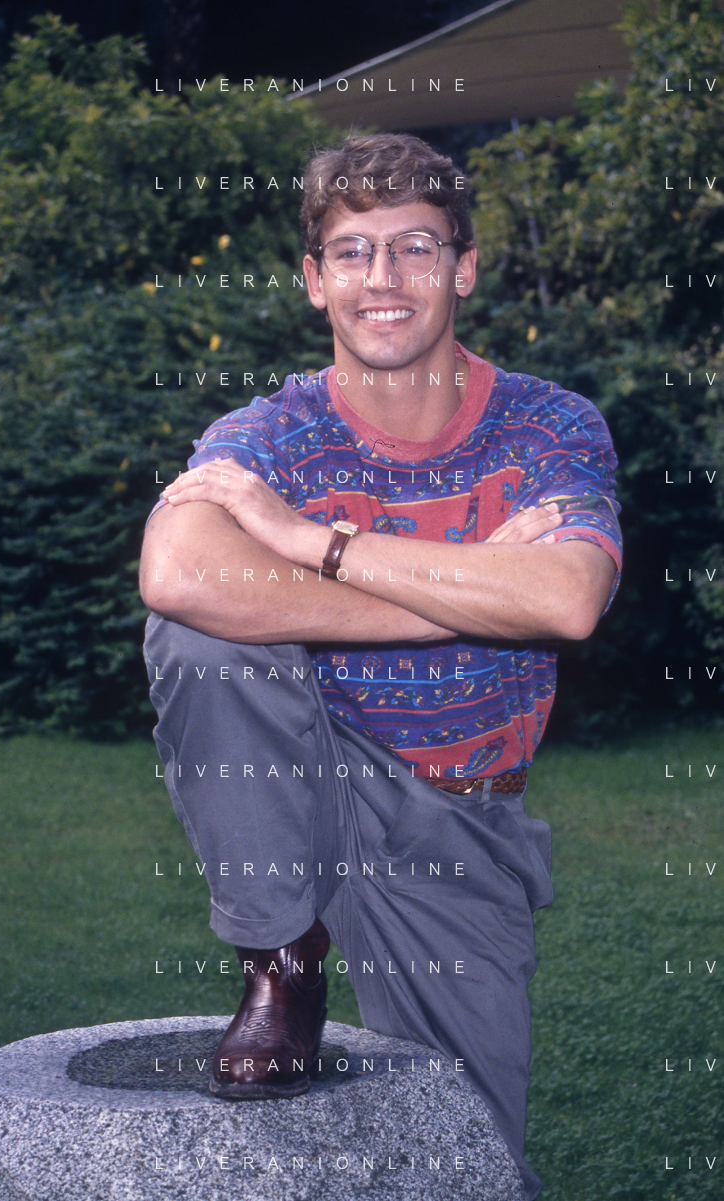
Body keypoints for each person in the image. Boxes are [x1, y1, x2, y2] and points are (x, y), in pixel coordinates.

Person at [139, 132, 621, 1200]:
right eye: (353, 252)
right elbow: (176, 573)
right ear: (316, 281)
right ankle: (282, 958)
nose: (383, 278)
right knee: (200, 636)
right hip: (304, 779)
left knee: (472, 1161)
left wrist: (313, 542)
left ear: (464, 267)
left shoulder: (546, 425)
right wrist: (458, 598)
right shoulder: (272, 432)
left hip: (458, 811)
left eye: (414, 246)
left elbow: (565, 597)